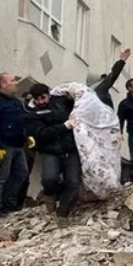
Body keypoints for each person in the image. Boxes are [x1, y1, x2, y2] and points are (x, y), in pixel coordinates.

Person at [24, 84, 81, 220]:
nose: (41, 102)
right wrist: (64, 126)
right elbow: (41, 133)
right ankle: (50, 196)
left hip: (70, 149)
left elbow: (83, 101)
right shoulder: (31, 113)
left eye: (43, 97)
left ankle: (62, 213)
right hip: (49, 150)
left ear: (49, 94)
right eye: (37, 99)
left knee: (73, 182)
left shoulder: (61, 101)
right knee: (49, 179)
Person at [0, 73, 32, 216]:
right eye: (12, 81)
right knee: (0, 177)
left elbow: (20, 120)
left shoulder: (14, 101)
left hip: (17, 144)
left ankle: (9, 203)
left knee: (21, 173)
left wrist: (26, 136)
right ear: (3, 84)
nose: (16, 83)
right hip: (3, 145)